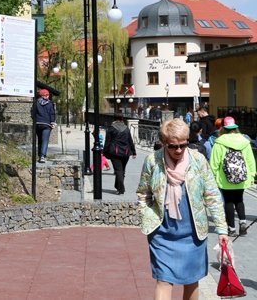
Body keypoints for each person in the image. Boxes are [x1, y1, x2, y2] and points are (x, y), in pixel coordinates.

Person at [137, 118, 228, 300]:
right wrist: (147, 216)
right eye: (172, 146)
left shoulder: (198, 160)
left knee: (192, 280)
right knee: (163, 280)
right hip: (162, 233)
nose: (178, 150)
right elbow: (143, 193)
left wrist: (222, 229)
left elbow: (212, 196)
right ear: (164, 143)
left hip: (193, 233)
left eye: (183, 145)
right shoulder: (152, 161)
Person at [209, 116, 256, 237]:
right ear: (235, 127)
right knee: (239, 200)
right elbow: (250, 160)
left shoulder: (219, 142)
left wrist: (212, 176)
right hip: (241, 178)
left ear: (223, 128)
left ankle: (231, 228)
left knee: (229, 202)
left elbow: (214, 162)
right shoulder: (244, 141)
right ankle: (243, 223)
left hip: (224, 178)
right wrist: (251, 175)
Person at [103, 114, 136, 195]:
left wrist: (104, 152)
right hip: (126, 153)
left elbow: (107, 142)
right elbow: (130, 141)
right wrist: (133, 152)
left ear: (114, 119)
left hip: (115, 153)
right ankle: (118, 187)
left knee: (118, 171)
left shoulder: (111, 128)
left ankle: (121, 189)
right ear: (122, 119)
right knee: (122, 171)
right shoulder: (126, 128)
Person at [32, 89, 56, 163]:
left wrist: (35, 120)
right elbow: (52, 113)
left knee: (40, 140)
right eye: (47, 95)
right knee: (45, 140)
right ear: (44, 95)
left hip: (38, 123)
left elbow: (33, 113)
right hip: (46, 124)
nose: (48, 96)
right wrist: (52, 122)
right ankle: (42, 156)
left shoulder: (36, 102)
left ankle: (39, 155)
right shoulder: (50, 103)